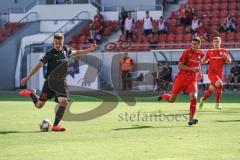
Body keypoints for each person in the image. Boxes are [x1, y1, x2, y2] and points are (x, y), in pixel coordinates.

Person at [19, 33, 96, 131]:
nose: (58, 45)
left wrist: (89, 49)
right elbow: (38, 65)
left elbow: (77, 52)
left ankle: (55, 126)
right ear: (53, 42)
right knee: (39, 105)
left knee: (64, 102)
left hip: (61, 83)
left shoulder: (66, 50)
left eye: (60, 43)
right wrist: (27, 77)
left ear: (62, 42)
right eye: (56, 43)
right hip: (50, 83)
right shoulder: (50, 54)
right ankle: (31, 93)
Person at [157, 37, 204, 125]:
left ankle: (191, 119)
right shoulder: (186, 52)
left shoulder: (201, 54)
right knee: (171, 100)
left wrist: (199, 71)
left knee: (193, 97)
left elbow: (198, 63)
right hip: (181, 78)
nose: (193, 45)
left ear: (199, 45)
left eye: (195, 44)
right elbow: (180, 66)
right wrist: (192, 69)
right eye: (192, 43)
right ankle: (164, 95)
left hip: (193, 79)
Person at [199, 37, 231, 110]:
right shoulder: (209, 52)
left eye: (217, 41)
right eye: (214, 42)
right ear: (213, 43)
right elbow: (203, 61)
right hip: (211, 73)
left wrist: (226, 57)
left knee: (211, 90)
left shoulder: (224, 51)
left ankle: (202, 99)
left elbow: (229, 62)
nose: (215, 43)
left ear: (220, 42)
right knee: (220, 84)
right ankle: (217, 104)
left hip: (219, 73)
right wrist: (204, 57)